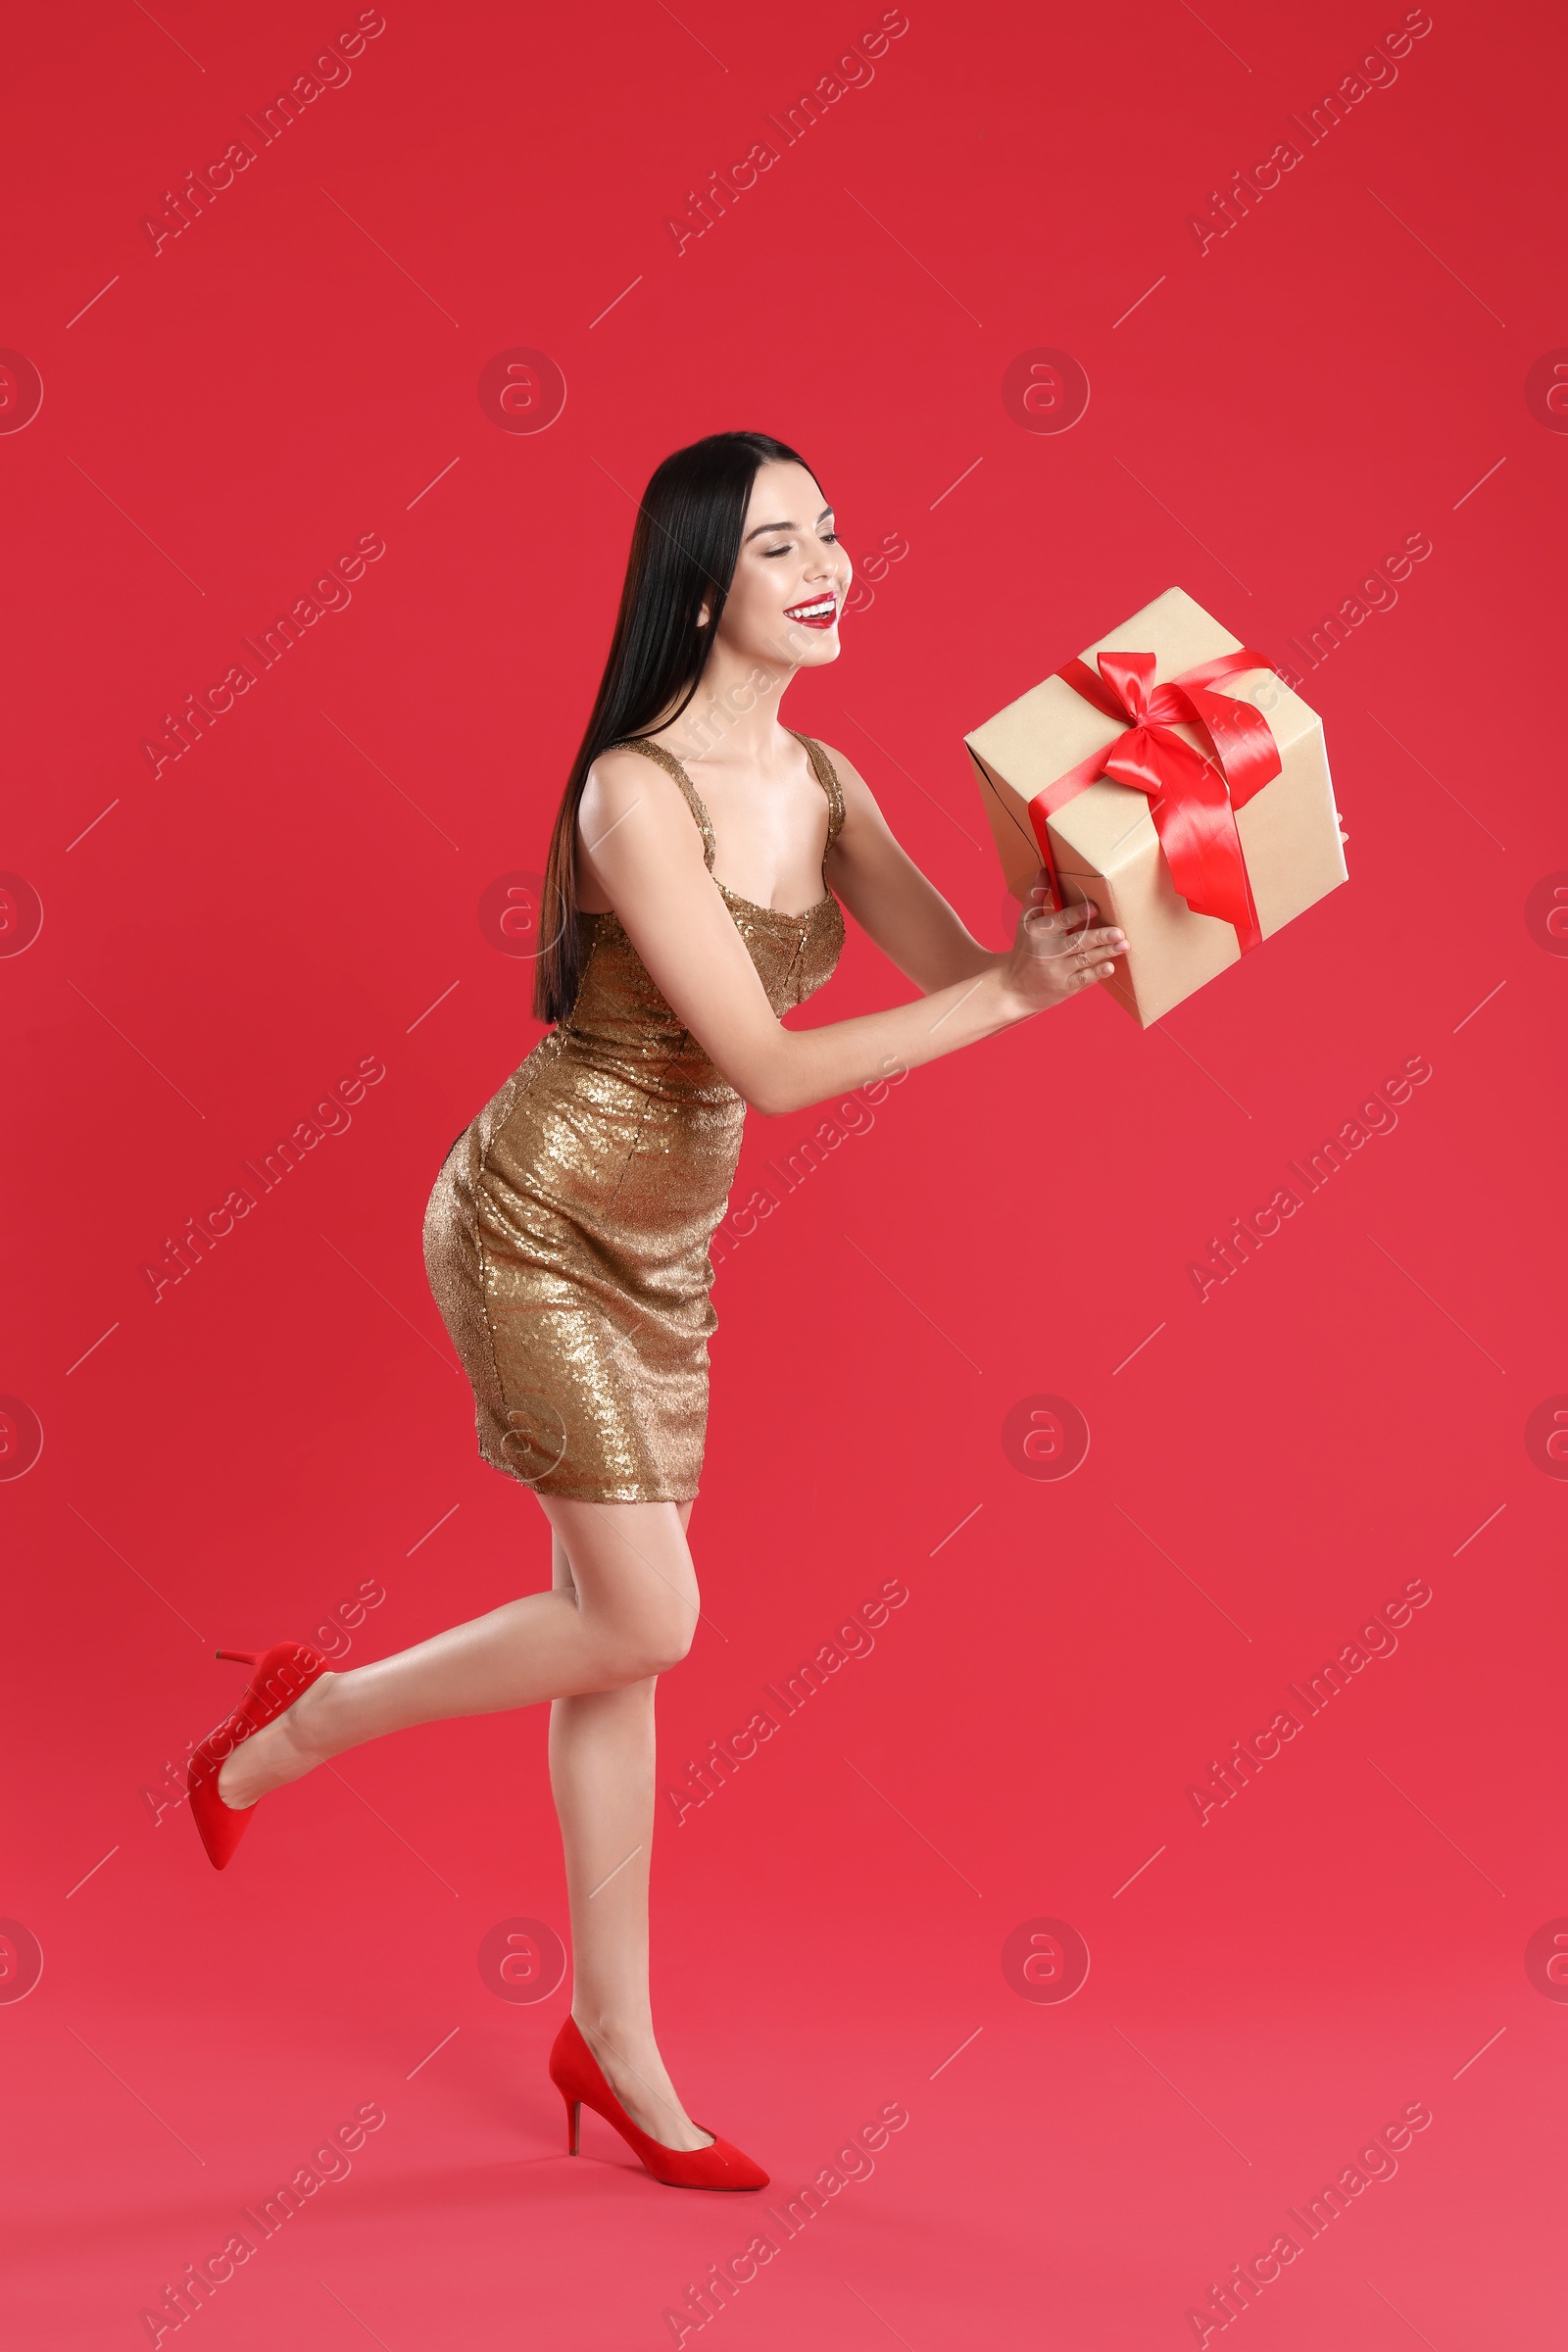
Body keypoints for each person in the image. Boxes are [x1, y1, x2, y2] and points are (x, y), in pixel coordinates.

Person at [186, 430, 1127, 2190]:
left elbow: (960, 968)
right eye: (785, 547)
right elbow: (766, 1066)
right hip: (535, 1223)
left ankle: (608, 2044)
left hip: (668, 1254)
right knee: (652, 1620)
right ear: (702, 585)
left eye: (838, 532)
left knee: (610, 1643)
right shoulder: (636, 790)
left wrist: (1143, 885)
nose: (832, 564)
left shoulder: (829, 784)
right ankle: (302, 1723)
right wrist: (1009, 996)